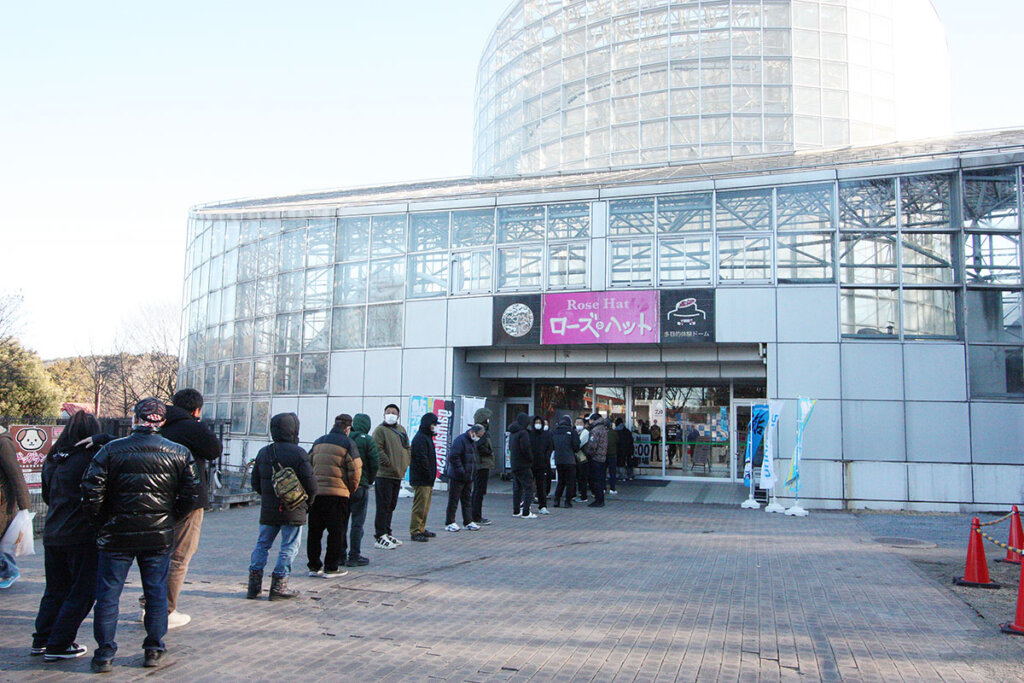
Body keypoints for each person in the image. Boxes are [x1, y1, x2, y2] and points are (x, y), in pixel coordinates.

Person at [81, 398, 201, 672]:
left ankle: (104, 654)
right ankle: (154, 649)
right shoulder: (179, 453)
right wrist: (170, 519)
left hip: (116, 534)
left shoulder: (112, 450)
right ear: (163, 420)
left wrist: (101, 521)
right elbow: (191, 494)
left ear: (136, 419)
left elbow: (91, 491)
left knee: (109, 594)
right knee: (156, 592)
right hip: (157, 535)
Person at [31, 412, 112, 661]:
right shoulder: (92, 457)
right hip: (81, 533)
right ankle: (60, 643)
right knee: (84, 591)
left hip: (53, 531)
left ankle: (42, 639)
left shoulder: (54, 458)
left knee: (55, 589)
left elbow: (47, 495)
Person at [156, 388, 222, 629]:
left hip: (159, 498)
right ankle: (165, 609)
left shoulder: (160, 423)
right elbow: (214, 450)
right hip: (190, 499)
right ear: (196, 410)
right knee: (180, 554)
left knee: (158, 552)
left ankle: (150, 602)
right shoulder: (192, 427)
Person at [246, 412, 317, 602]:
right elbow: (311, 485)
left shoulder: (265, 452)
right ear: (294, 430)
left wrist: (269, 498)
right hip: (293, 509)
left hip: (269, 510)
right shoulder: (299, 453)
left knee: (262, 544)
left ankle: (253, 586)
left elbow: (255, 483)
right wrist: (306, 504)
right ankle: (279, 585)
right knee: (289, 546)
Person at [306, 414, 361, 578]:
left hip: (317, 494)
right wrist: (350, 489)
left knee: (314, 532)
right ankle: (331, 567)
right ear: (348, 428)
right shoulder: (348, 443)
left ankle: (314, 566)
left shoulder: (318, 441)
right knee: (336, 532)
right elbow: (356, 470)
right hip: (338, 495)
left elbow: (308, 465)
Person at [372, 404, 410, 550]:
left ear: (398, 416)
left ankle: (387, 532)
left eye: (393, 412)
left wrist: (406, 462)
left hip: (397, 475)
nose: (390, 414)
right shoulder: (380, 430)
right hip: (384, 474)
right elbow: (377, 449)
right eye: (388, 412)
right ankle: (380, 535)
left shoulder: (401, 430)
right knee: (383, 505)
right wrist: (389, 463)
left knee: (391, 505)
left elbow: (407, 447)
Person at [346, 413, 379, 567]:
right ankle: (354, 555)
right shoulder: (368, 440)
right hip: (361, 485)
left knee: (341, 522)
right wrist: (369, 480)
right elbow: (374, 463)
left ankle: (339, 554)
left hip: (343, 487)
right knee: (357, 523)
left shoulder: (345, 438)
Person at [0, 425, 31, 590]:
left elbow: (15, 474)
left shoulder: (3, 443)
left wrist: (24, 505)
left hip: (2, 503)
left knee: (4, 540)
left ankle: (9, 570)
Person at [444, 424, 483, 532]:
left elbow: (473, 458)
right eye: (478, 435)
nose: (478, 438)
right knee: (454, 500)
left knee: (467, 500)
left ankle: (468, 521)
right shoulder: (460, 440)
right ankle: (450, 522)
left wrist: (473, 472)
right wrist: (461, 472)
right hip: (458, 476)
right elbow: (454, 457)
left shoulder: (472, 442)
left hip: (468, 477)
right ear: (472, 432)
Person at [409, 412, 439, 542]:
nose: (435, 427)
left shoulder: (427, 437)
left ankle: (421, 528)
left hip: (427, 479)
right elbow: (422, 459)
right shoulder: (421, 438)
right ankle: (415, 530)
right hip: (422, 479)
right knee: (420, 506)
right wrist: (428, 473)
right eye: (433, 424)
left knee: (425, 506)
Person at [508, 413, 535, 518]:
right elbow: (526, 448)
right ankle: (526, 512)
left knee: (517, 488)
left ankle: (516, 510)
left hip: (514, 463)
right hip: (523, 464)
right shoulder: (523, 433)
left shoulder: (512, 433)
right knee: (529, 487)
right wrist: (531, 458)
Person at [470, 408, 493, 526]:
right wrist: (487, 452)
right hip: (481, 465)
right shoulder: (479, 431)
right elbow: (478, 446)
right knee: (479, 491)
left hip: (482, 464)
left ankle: (475, 515)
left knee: (478, 491)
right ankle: (476, 516)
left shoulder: (481, 431)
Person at [551, 416, 580, 508]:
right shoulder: (572, 432)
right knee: (570, 482)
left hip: (559, 459)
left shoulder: (554, 432)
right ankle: (567, 501)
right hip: (570, 460)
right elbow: (576, 446)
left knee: (561, 481)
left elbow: (551, 446)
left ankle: (557, 500)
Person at [583, 413, 610, 508]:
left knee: (596, 480)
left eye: (590, 420)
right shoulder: (604, 429)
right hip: (602, 458)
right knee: (601, 480)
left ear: (593, 420)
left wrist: (587, 453)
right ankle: (600, 499)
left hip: (595, 458)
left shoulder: (595, 430)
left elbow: (592, 445)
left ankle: (598, 500)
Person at [529, 416, 553, 514]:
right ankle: (526, 505)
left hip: (542, 464)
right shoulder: (529, 434)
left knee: (541, 486)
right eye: (536, 422)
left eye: (540, 422)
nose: (538, 424)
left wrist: (546, 458)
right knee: (529, 486)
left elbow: (549, 447)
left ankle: (542, 506)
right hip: (531, 464)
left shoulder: (546, 435)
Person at [574, 416, 590, 503]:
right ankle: (579, 494)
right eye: (577, 423)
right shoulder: (575, 432)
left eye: (580, 423)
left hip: (583, 458)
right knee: (578, 478)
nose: (578, 425)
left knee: (582, 478)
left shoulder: (585, 432)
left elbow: (578, 444)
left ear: (584, 424)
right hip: (576, 458)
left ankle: (583, 496)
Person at [606, 417, 619, 494]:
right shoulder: (614, 433)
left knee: (602, 473)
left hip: (603, 455)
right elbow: (617, 442)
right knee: (612, 473)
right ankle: (612, 488)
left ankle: (603, 488)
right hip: (612, 455)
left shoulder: (602, 432)